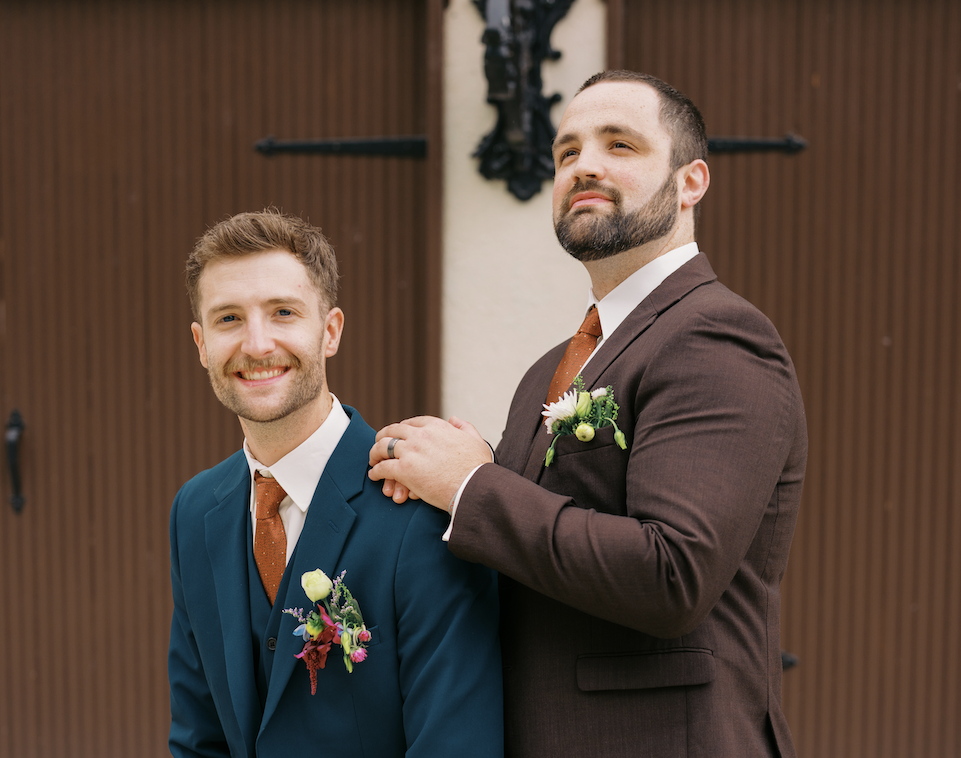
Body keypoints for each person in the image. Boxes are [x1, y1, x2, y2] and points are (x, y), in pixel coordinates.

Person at [369, 70, 807, 757]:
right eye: (566, 152)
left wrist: (472, 489)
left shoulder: (718, 336)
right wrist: (456, 473)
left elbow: (672, 574)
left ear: (691, 182)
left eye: (620, 145)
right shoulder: (550, 367)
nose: (585, 166)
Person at [168, 209, 503, 758]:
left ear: (330, 331)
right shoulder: (195, 509)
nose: (256, 345)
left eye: (283, 312)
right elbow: (198, 736)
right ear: (201, 344)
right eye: (229, 319)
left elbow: (455, 742)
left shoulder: (421, 509)